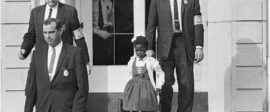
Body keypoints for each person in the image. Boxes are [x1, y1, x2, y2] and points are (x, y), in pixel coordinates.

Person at [146, 0, 204, 112]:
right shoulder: (157, 1)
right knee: (165, 83)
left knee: (186, 83)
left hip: (185, 44)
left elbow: (198, 22)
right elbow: (151, 25)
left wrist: (199, 46)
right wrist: (150, 48)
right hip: (165, 47)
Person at [24, 18, 89, 112]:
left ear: (60, 31)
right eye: (45, 33)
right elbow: (31, 88)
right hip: (43, 108)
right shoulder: (37, 54)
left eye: (51, 32)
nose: (47, 36)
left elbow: (82, 89)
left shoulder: (75, 54)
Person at [18, 0, 91, 74]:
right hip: (42, 62)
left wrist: (85, 61)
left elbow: (78, 37)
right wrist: (24, 49)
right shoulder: (36, 12)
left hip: (63, 62)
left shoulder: (70, 11)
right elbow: (31, 35)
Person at [123, 36, 165, 112]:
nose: (139, 52)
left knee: (146, 107)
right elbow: (130, 75)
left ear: (146, 49)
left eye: (141, 50)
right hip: (134, 89)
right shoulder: (132, 61)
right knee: (134, 107)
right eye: (137, 50)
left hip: (146, 89)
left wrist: (159, 86)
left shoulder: (151, 61)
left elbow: (161, 73)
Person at [92, 0, 114, 65]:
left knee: (108, 58)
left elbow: (112, 19)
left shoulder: (109, 2)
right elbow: (85, 22)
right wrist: (97, 31)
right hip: (94, 33)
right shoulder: (90, 3)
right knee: (97, 59)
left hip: (107, 32)